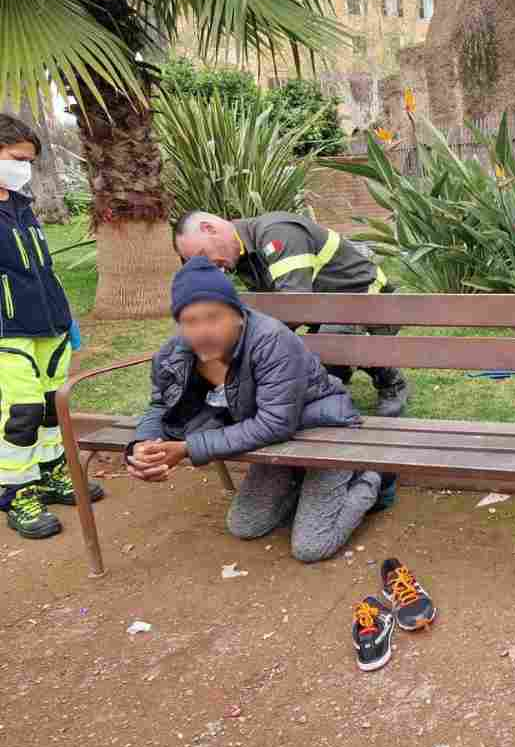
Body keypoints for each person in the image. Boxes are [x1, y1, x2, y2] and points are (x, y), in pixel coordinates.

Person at [125, 257, 392, 562]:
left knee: (310, 547)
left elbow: (275, 423)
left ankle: (371, 477)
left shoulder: (271, 341)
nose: (203, 331)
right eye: (190, 321)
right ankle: (300, 483)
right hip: (273, 444)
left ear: (238, 315)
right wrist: (142, 445)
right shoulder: (175, 354)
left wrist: (188, 448)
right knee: (244, 526)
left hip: (325, 430)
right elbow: (160, 404)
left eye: (214, 317)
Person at [173, 210, 410, 418]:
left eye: (204, 254)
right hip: (324, 307)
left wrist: (248, 349)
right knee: (312, 350)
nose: (209, 264)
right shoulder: (242, 257)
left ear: (209, 228)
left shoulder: (278, 233)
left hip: (364, 298)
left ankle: (390, 380)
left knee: (326, 352)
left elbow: (294, 305)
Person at [0, 114, 104, 540]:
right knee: (18, 413)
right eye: (16, 158)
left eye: (28, 160)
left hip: (50, 327)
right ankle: (16, 491)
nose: (24, 166)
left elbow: (42, 269)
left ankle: (48, 474)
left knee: (48, 407)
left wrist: (67, 319)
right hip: (8, 332)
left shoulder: (20, 207)